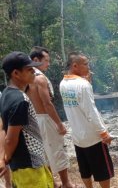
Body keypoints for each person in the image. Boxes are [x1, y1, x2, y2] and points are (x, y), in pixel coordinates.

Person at [60, 52, 114, 188]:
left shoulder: (63, 83)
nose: (88, 67)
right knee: (102, 170)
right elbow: (91, 112)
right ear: (75, 65)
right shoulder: (83, 85)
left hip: (78, 137)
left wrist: (86, 82)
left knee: (85, 168)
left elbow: (77, 105)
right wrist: (103, 133)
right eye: (85, 64)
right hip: (93, 137)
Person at [0, 51, 53, 187]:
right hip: (30, 167)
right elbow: (11, 138)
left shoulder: (6, 94)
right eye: (29, 70)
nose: (34, 72)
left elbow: (2, 127)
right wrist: (5, 159)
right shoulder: (20, 100)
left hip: (22, 166)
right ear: (16, 73)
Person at [26, 46, 76, 188]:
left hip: (33, 119)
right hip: (44, 119)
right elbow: (47, 104)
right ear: (36, 60)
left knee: (43, 153)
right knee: (57, 149)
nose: (49, 63)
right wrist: (59, 124)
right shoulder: (39, 78)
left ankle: (52, 183)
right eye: (46, 60)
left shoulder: (26, 76)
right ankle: (66, 183)